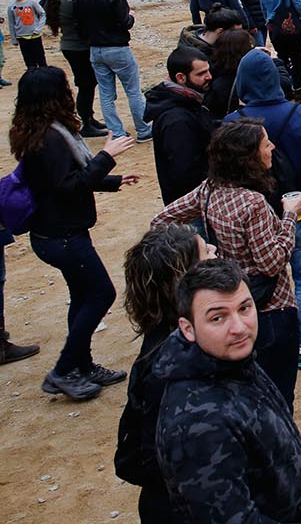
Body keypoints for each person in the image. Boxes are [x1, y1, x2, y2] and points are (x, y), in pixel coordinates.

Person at [153, 260, 301, 521]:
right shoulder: (197, 426)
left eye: (244, 308)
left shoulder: (232, 361)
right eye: (218, 318)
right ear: (188, 328)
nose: (239, 328)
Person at [152, 120, 301, 407]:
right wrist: (289, 216)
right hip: (270, 309)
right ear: (249, 157)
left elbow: (161, 220)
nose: (272, 147)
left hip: (226, 301)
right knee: (278, 396)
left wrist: (199, 256)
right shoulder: (253, 204)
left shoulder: (209, 190)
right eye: (266, 144)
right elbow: (271, 263)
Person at [12, 67, 137, 399]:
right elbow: (69, 186)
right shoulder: (51, 139)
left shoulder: (39, 131)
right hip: (63, 237)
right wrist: (106, 157)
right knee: (101, 294)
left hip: (55, 233)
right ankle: (63, 369)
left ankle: (82, 364)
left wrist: (112, 180)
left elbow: (66, 180)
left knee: (82, 295)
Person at [227, 49, 301, 371]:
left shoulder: (232, 122)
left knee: (257, 277)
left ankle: (259, 341)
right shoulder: (298, 114)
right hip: (298, 206)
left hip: (252, 215)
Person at [115, 223, 212, 523]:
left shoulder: (182, 338)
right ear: (183, 283)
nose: (214, 252)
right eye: (205, 253)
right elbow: (151, 457)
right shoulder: (171, 367)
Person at [75, 0, 153, 140]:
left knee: (106, 93)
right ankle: (143, 130)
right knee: (133, 91)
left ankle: (116, 133)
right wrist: (131, 16)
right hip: (117, 48)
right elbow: (126, 23)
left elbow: (78, 24)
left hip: (95, 49)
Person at [143, 47, 217, 205]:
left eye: (208, 70)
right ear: (181, 78)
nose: (209, 77)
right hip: (192, 204)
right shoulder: (176, 121)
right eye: (201, 73)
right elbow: (186, 172)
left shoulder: (188, 100)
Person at [46, 0, 103, 133]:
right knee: (86, 85)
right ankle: (86, 122)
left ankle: (89, 118)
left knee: (87, 84)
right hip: (77, 48)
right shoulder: (70, 1)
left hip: (73, 47)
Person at [8, 0, 46, 69]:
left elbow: (42, 14)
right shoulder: (11, 7)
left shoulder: (32, 3)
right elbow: (11, 23)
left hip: (34, 36)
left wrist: (38, 29)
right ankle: (32, 75)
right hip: (21, 37)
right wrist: (14, 39)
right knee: (28, 60)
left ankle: (44, 75)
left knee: (40, 59)